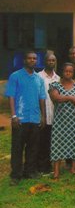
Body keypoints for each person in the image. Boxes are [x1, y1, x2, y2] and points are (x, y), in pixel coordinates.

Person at [6, 51, 46, 185]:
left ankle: (29, 171)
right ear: (24, 60)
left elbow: (42, 98)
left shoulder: (39, 79)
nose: (32, 60)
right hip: (20, 119)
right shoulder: (15, 76)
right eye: (29, 58)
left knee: (33, 147)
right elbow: (11, 96)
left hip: (34, 118)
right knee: (17, 148)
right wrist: (13, 115)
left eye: (34, 58)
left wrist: (43, 116)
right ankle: (16, 175)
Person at [49, 63, 75, 180]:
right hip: (61, 121)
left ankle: (73, 168)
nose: (68, 73)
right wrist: (71, 98)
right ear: (62, 72)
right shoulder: (55, 86)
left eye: (70, 71)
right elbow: (56, 98)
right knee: (58, 144)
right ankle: (56, 171)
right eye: (66, 71)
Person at [37, 52, 60, 174]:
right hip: (43, 115)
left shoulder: (58, 78)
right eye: (49, 60)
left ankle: (49, 166)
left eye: (53, 60)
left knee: (52, 142)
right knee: (42, 142)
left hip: (54, 116)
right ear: (45, 61)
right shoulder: (38, 77)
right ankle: (41, 167)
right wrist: (42, 116)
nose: (51, 62)